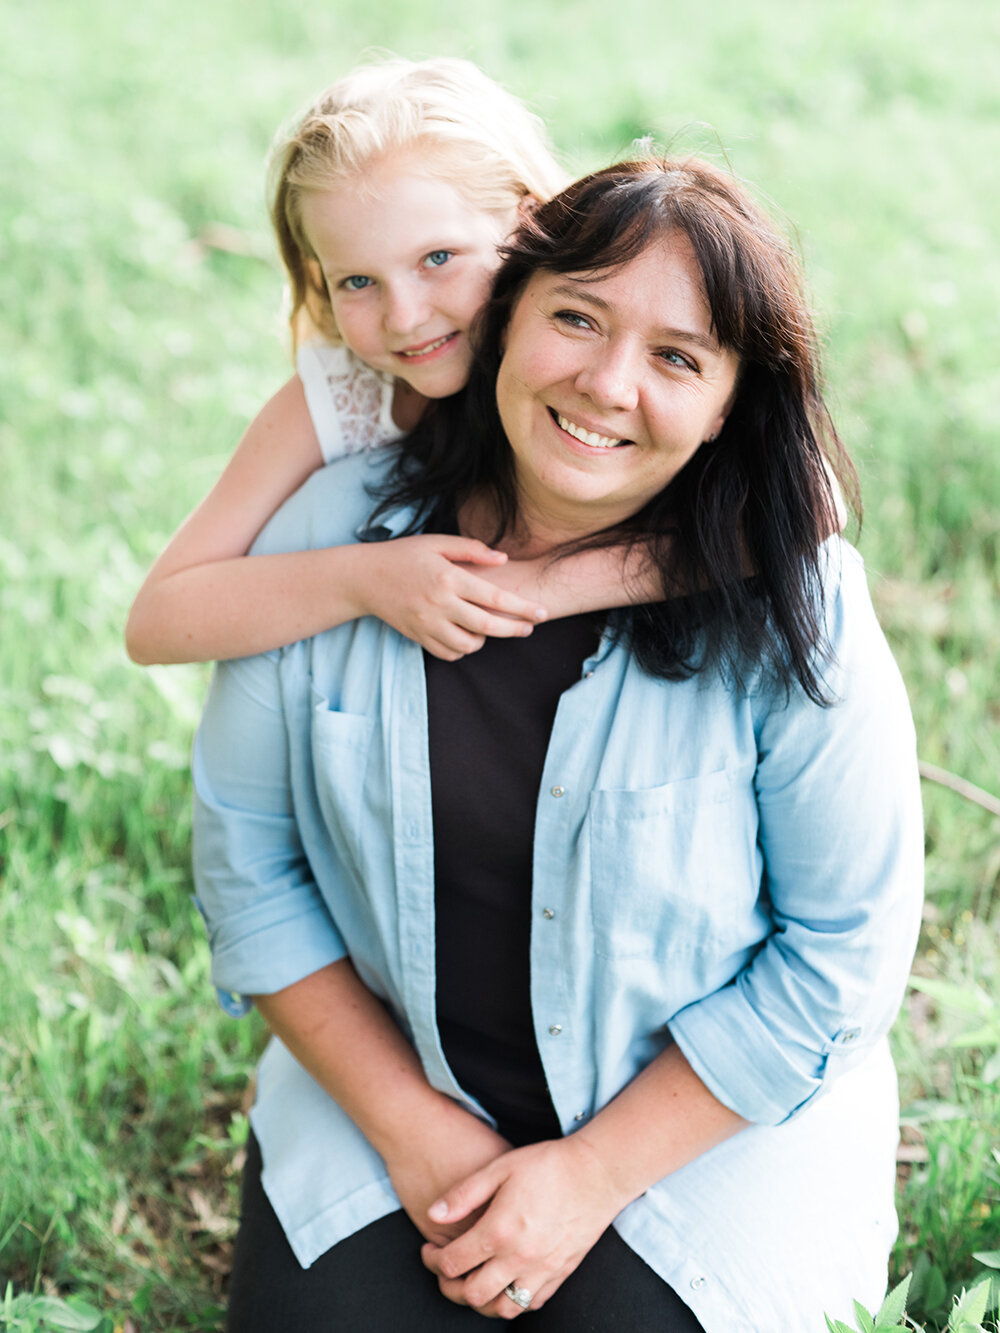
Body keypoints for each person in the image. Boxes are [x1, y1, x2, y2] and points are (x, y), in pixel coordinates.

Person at [192, 156, 924, 1331]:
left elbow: (841, 954)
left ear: (729, 400)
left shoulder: (797, 603)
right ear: (504, 318)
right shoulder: (329, 541)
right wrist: (413, 1130)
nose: (607, 384)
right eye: (575, 317)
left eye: (677, 357)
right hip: (392, 1099)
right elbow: (251, 875)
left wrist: (587, 1174)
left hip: (703, 1140)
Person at [125, 56, 657, 670]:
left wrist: (541, 588)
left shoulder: (600, 362)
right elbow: (157, 619)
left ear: (526, 220)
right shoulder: (347, 395)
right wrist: (366, 581)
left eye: (437, 258)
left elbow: (777, 522)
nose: (403, 317)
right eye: (357, 280)